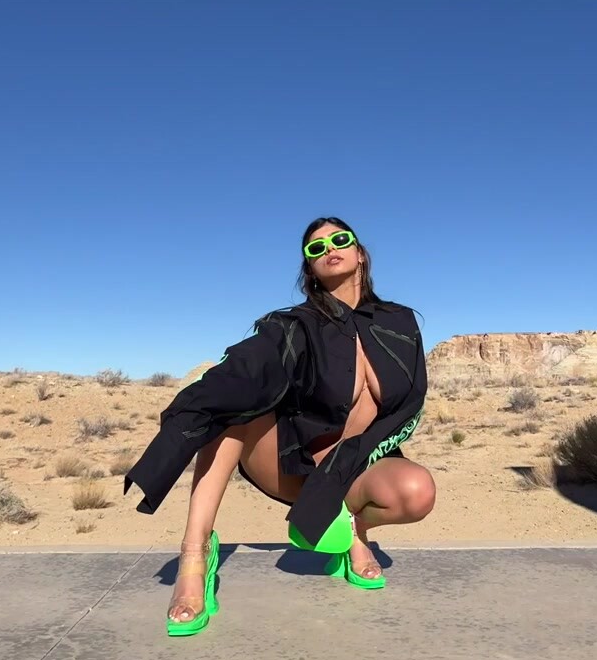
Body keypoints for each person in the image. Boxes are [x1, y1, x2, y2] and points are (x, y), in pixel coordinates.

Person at [124, 216, 435, 635]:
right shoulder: (292, 325)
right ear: (310, 268)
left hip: (357, 468)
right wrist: (189, 411)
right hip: (293, 466)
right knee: (234, 400)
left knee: (417, 491)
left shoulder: (400, 323)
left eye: (339, 239)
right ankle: (195, 556)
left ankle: (351, 532)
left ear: (360, 253)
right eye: (316, 248)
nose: (329, 249)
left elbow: (411, 401)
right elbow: (247, 367)